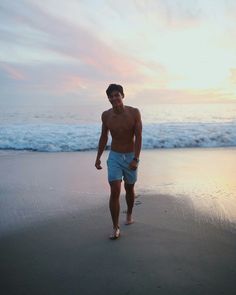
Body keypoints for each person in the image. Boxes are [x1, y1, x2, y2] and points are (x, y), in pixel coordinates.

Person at [95, 84, 142, 239]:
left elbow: (139, 137)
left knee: (129, 188)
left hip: (130, 156)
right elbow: (104, 137)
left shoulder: (134, 113)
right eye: (111, 96)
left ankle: (129, 213)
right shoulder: (106, 115)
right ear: (108, 98)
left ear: (122, 95)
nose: (114, 98)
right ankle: (115, 227)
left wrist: (136, 158)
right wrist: (98, 157)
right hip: (114, 156)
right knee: (115, 190)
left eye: (117, 95)